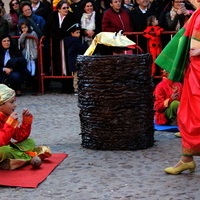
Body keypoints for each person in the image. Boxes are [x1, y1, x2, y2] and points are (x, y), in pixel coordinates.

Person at [155, 0, 200, 175]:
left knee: (195, 114)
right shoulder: (196, 14)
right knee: (188, 114)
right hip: (194, 71)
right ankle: (186, 159)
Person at [0, 84, 52, 170]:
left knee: (30, 142)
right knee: (4, 150)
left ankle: (15, 161)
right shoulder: (8, 118)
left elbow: (20, 137)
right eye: (11, 102)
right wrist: (10, 124)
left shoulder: (6, 116)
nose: (15, 105)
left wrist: (26, 121)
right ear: (1, 105)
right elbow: (1, 142)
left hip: (5, 146)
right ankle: (30, 157)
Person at [44, 0, 77, 93]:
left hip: (68, 44)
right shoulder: (52, 16)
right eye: (64, 8)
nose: (66, 10)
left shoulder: (72, 16)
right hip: (55, 43)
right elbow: (47, 28)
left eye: (67, 8)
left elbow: (71, 29)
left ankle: (69, 86)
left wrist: (60, 32)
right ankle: (62, 85)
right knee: (58, 63)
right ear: (58, 9)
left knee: (68, 63)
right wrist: (57, 33)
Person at [64, 23, 88, 94]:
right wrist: (86, 45)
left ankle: (77, 88)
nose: (78, 34)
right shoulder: (75, 41)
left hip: (73, 60)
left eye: (79, 32)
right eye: (77, 33)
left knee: (76, 75)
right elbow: (82, 48)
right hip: (76, 60)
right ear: (72, 33)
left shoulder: (69, 41)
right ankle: (76, 89)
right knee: (77, 76)